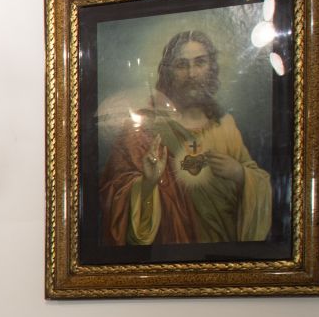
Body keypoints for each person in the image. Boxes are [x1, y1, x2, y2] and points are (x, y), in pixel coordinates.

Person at [101, 29, 271, 245]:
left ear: (211, 68)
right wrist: (148, 184)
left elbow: (260, 184)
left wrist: (239, 173)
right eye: (182, 65)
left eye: (200, 62)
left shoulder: (225, 126)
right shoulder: (143, 129)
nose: (192, 74)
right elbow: (114, 197)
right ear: (169, 73)